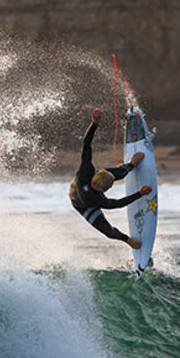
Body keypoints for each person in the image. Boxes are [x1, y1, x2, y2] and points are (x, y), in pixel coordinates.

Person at [69, 106, 152, 250]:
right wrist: (139, 194)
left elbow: (86, 143)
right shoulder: (94, 200)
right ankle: (127, 240)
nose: (112, 187)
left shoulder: (86, 169)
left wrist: (95, 123)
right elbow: (116, 203)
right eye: (110, 187)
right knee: (108, 231)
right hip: (81, 204)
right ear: (104, 189)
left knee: (120, 172)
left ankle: (131, 164)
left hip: (88, 181)